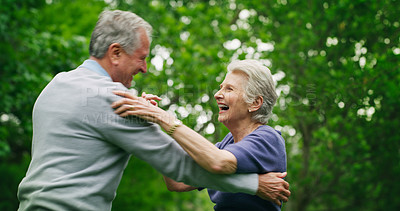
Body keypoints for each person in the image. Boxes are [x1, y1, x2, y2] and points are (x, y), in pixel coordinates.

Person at [17, 10, 290, 210]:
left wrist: (159, 120)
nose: (145, 68)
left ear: (256, 102)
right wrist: (255, 185)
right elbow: (180, 173)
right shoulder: (117, 99)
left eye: (229, 89)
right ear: (115, 53)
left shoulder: (55, 85)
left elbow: (211, 163)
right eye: (142, 58)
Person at [112, 59, 287, 210]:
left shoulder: (267, 139)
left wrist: (163, 117)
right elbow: (176, 181)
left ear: (255, 103)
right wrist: (152, 122)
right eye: (220, 88)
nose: (218, 94)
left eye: (229, 89)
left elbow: (219, 162)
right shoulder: (226, 144)